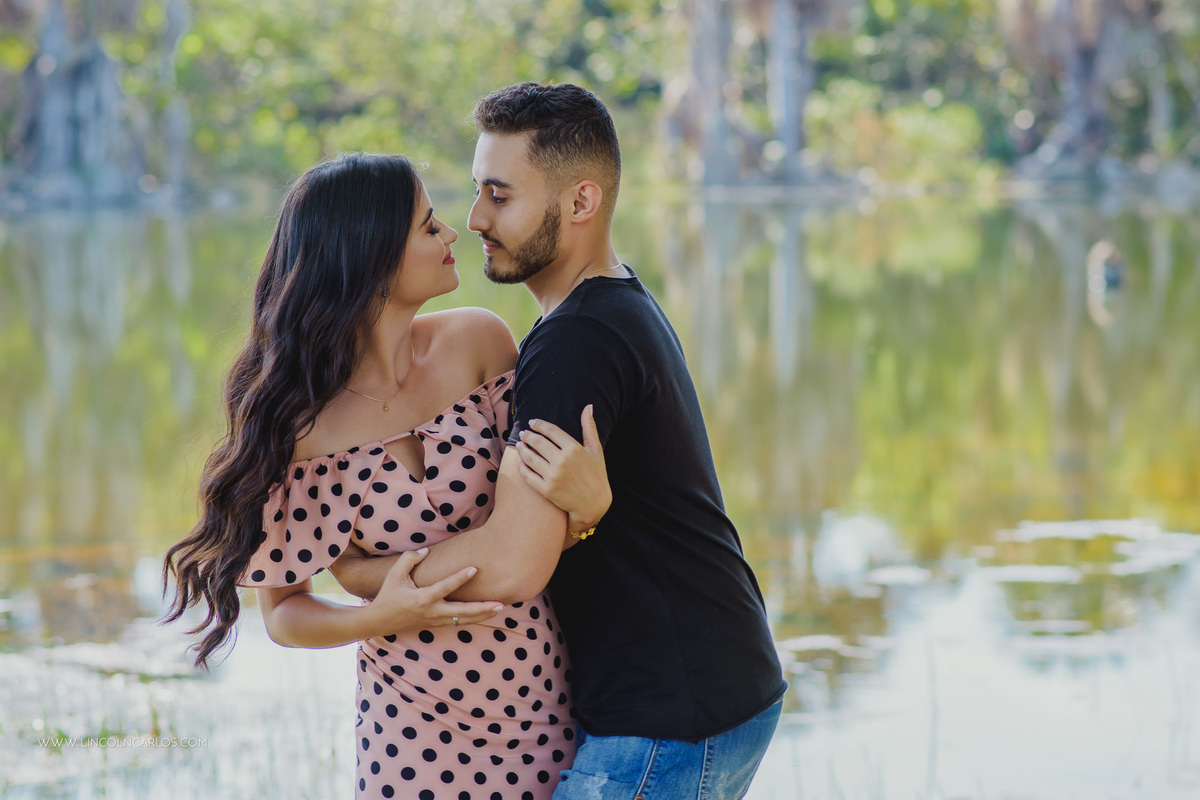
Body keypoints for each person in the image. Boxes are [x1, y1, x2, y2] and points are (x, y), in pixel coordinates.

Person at [335, 83, 786, 800]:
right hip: (717, 683)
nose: (475, 218)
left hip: (667, 717)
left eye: (499, 195)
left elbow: (512, 564)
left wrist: (362, 576)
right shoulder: (614, 301)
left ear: (580, 203)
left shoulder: (573, 341)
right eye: (477, 191)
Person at [161, 152, 614, 800]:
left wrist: (588, 516)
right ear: (370, 258)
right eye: (428, 227)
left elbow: (530, 538)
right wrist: (381, 614)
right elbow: (285, 614)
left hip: (543, 702)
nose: (453, 232)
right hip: (412, 732)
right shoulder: (299, 425)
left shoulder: (480, 344)